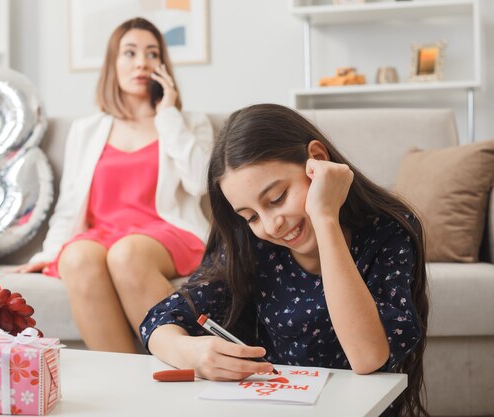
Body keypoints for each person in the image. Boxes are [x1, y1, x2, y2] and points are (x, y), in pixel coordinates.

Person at [140, 104, 429, 417]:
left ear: (316, 160)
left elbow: (367, 356)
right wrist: (192, 353)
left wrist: (325, 216)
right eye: (250, 216)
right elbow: (159, 323)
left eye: (277, 199)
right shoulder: (250, 241)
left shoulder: (387, 230)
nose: (271, 225)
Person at [18, 17, 213, 353]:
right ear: (113, 63)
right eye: (130, 53)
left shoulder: (190, 122)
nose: (142, 62)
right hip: (103, 234)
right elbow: (70, 204)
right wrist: (50, 252)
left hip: (166, 232)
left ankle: (181, 359)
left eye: (152, 53)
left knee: (126, 254)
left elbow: (199, 183)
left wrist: (167, 114)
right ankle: (125, 379)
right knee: (75, 257)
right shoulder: (86, 130)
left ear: (163, 65)